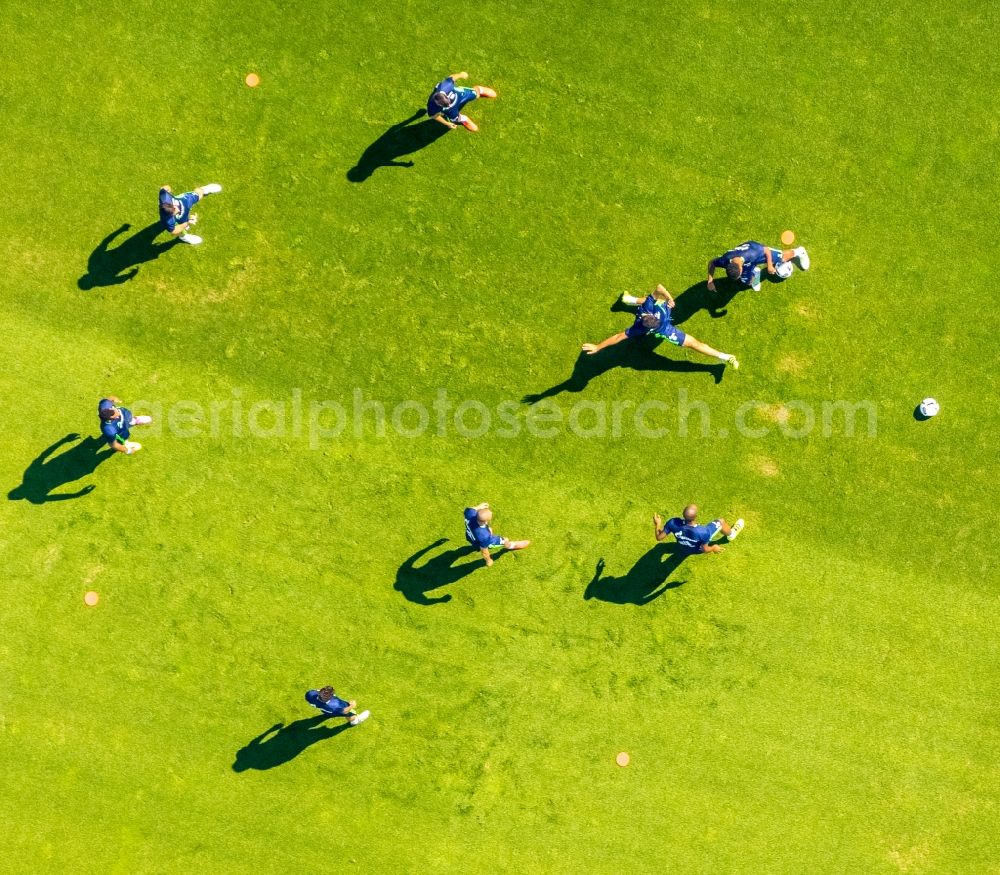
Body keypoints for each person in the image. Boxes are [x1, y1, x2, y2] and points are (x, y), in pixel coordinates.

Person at [583, 284, 740, 370]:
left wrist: (670, 299)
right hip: (665, 330)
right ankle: (726, 357)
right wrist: (597, 347)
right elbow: (618, 337)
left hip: (664, 323)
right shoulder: (639, 328)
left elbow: (659, 287)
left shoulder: (652, 307)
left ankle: (726, 357)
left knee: (648, 300)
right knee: (691, 346)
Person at [707, 240, 810, 293]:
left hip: (758, 253)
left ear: (741, 269)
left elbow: (766, 250)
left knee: (782, 258)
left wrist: (769, 265)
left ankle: (800, 251)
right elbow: (712, 263)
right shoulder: (725, 260)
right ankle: (755, 272)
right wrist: (710, 281)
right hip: (747, 261)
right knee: (746, 281)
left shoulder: (753, 252)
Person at [654, 504, 744, 554]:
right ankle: (732, 534)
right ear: (696, 516)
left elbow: (659, 537)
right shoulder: (703, 532)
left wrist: (658, 524)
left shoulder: (673, 523)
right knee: (721, 522)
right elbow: (705, 549)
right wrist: (713, 548)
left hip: (682, 548)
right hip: (696, 550)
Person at [464, 502, 530, 567]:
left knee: (485, 535)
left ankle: (476, 546)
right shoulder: (485, 536)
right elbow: (484, 551)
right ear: (486, 521)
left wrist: (478, 507)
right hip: (485, 541)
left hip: (470, 537)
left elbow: (470, 509)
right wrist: (488, 560)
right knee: (504, 540)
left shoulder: (470, 514)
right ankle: (510, 545)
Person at [427, 72, 497, 132]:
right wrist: (447, 123)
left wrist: (461, 74)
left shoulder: (446, 86)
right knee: (471, 127)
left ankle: (478, 89)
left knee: (479, 94)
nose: (449, 105)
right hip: (450, 111)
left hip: (459, 94)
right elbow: (434, 115)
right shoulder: (431, 105)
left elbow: (452, 77)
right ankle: (462, 119)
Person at [158, 182, 222, 245]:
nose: (178, 209)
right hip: (180, 218)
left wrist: (169, 190)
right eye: (175, 211)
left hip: (182, 200)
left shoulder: (164, 196)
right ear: (170, 216)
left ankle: (205, 189)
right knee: (181, 229)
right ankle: (183, 237)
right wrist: (188, 221)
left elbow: (165, 188)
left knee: (199, 194)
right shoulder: (168, 221)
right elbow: (174, 231)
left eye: (175, 207)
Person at [305, 686, 370, 726]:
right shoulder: (335, 705)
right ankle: (355, 721)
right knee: (350, 714)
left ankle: (328, 715)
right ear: (330, 697)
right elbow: (344, 712)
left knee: (327, 712)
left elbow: (309, 697)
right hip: (335, 711)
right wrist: (352, 706)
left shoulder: (310, 694)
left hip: (325, 709)